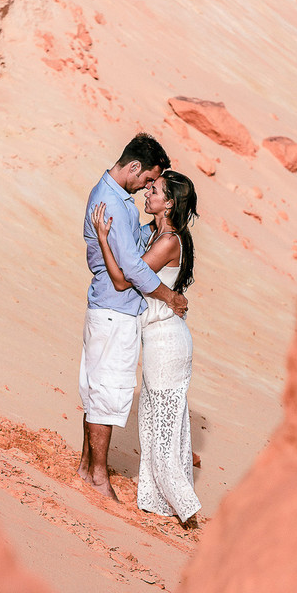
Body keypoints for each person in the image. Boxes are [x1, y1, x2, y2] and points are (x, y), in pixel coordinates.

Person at [77, 135, 188, 501]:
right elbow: (130, 272)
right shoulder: (111, 201)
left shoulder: (114, 197)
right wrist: (170, 296)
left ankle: (86, 468)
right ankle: (98, 477)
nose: (145, 187)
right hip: (115, 309)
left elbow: (131, 247)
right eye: (147, 179)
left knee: (98, 389)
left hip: (108, 307)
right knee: (108, 392)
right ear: (135, 167)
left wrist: (156, 226)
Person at [91, 169, 201, 526]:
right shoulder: (155, 233)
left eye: (155, 190)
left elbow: (124, 281)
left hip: (167, 341)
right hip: (158, 339)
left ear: (168, 204)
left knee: (164, 428)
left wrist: (103, 239)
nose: (147, 192)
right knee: (154, 423)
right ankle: (160, 502)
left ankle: (187, 509)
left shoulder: (168, 241)